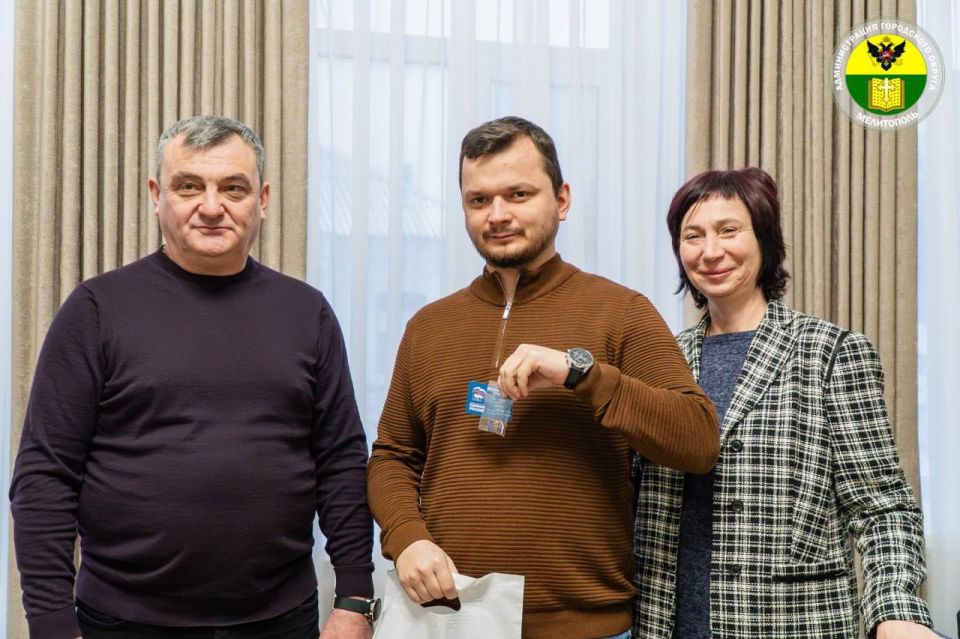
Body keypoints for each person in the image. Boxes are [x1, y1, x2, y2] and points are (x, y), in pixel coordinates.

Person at [10, 116, 377, 639]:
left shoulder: (307, 313)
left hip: (280, 619)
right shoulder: (96, 310)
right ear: (156, 195)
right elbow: (45, 475)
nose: (210, 206)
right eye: (188, 186)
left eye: (233, 188)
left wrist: (355, 599)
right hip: (122, 621)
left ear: (262, 200)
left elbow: (341, 461)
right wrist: (50, 623)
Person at [366, 116, 720, 639]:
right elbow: (392, 456)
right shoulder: (429, 326)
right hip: (445, 620)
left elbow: (698, 440)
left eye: (518, 194)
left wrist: (581, 374)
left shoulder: (621, 312)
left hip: (585, 629)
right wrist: (406, 537)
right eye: (479, 200)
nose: (498, 215)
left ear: (562, 199)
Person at [633, 167, 936, 638]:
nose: (710, 251)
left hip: (790, 623)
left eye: (728, 230)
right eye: (693, 236)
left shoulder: (830, 352)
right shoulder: (659, 361)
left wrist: (895, 609)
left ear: (764, 239)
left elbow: (881, 508)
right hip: (664, 625)